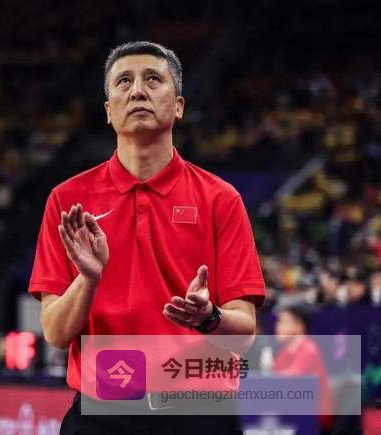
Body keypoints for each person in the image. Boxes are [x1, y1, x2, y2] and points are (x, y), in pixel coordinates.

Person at [29, 41, 266, 434]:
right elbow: (55, 333)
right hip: (103, 414)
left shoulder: (220, 199)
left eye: (153, 79)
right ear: (108, 111)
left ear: (179, 106)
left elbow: (244, 333)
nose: (138, 90)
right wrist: (88, 279)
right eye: (124, 81)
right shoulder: (67, 200)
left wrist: (209, 318)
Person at [273, 306, 334, 433]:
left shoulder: (309, 350)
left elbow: (290, 380)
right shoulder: (284, 353)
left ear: (299, 326)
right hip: (293, 411)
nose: (277, 327)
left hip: (316, 416)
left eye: (283, 322)